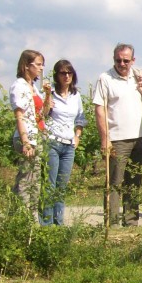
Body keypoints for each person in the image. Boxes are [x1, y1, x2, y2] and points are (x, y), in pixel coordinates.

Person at [93, 43, 142, 227]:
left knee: (134, 181)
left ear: (133, 60)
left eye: (126, 60)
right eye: (118, 60)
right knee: (115, 183)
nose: (122, 63)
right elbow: (99, 109)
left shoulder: (138, 77)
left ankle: (131, 221)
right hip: (117, 139)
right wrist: (105, 139)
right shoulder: (105, 78)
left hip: (138, 137)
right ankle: (111, 224)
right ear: (114, 59)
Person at [42, 60, 87, 225]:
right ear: (57, 75)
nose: (66, 76)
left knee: (61, 187)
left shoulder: (76, 96)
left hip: (69, 145)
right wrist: (47, 96)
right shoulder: (50, 93)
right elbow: (43, 115)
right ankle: (46, 225)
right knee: (49, 186)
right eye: (63, 73)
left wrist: (78, 136)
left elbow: (80, 118)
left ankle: (58, 223)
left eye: (69, 72)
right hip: (52, 143)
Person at [10, 50, 51, 219]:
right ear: (26, 65)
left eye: (42, 64)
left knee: (35, 180)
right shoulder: (18, 86)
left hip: (37, 135)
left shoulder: (33, 87)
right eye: (38, 64)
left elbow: (43, 114)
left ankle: (29, 217)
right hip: (26, 137)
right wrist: (26, 141)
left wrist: (48, 94)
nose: (41, 68)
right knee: (26, 180)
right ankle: (22, 218)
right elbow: (19, 115)